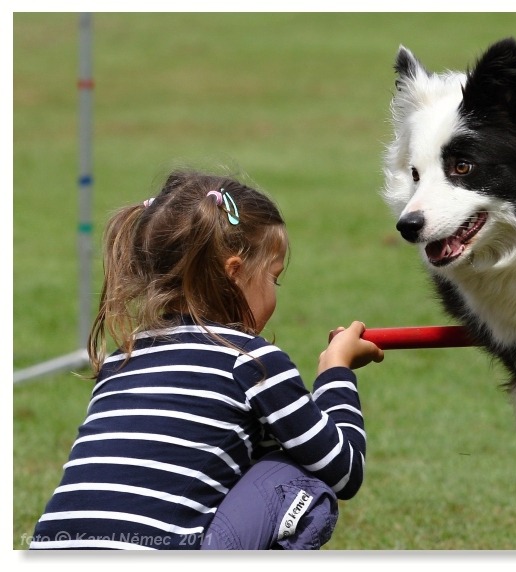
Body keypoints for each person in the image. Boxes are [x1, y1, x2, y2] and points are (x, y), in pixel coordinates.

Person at [30, 168, 384, 550]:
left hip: (52, 551)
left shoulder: (121, 359)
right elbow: (343, 472)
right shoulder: (251, 361)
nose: (275, 292)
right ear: (235, 272)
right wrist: (336, 370)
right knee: (297, 478)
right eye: (273, 278)